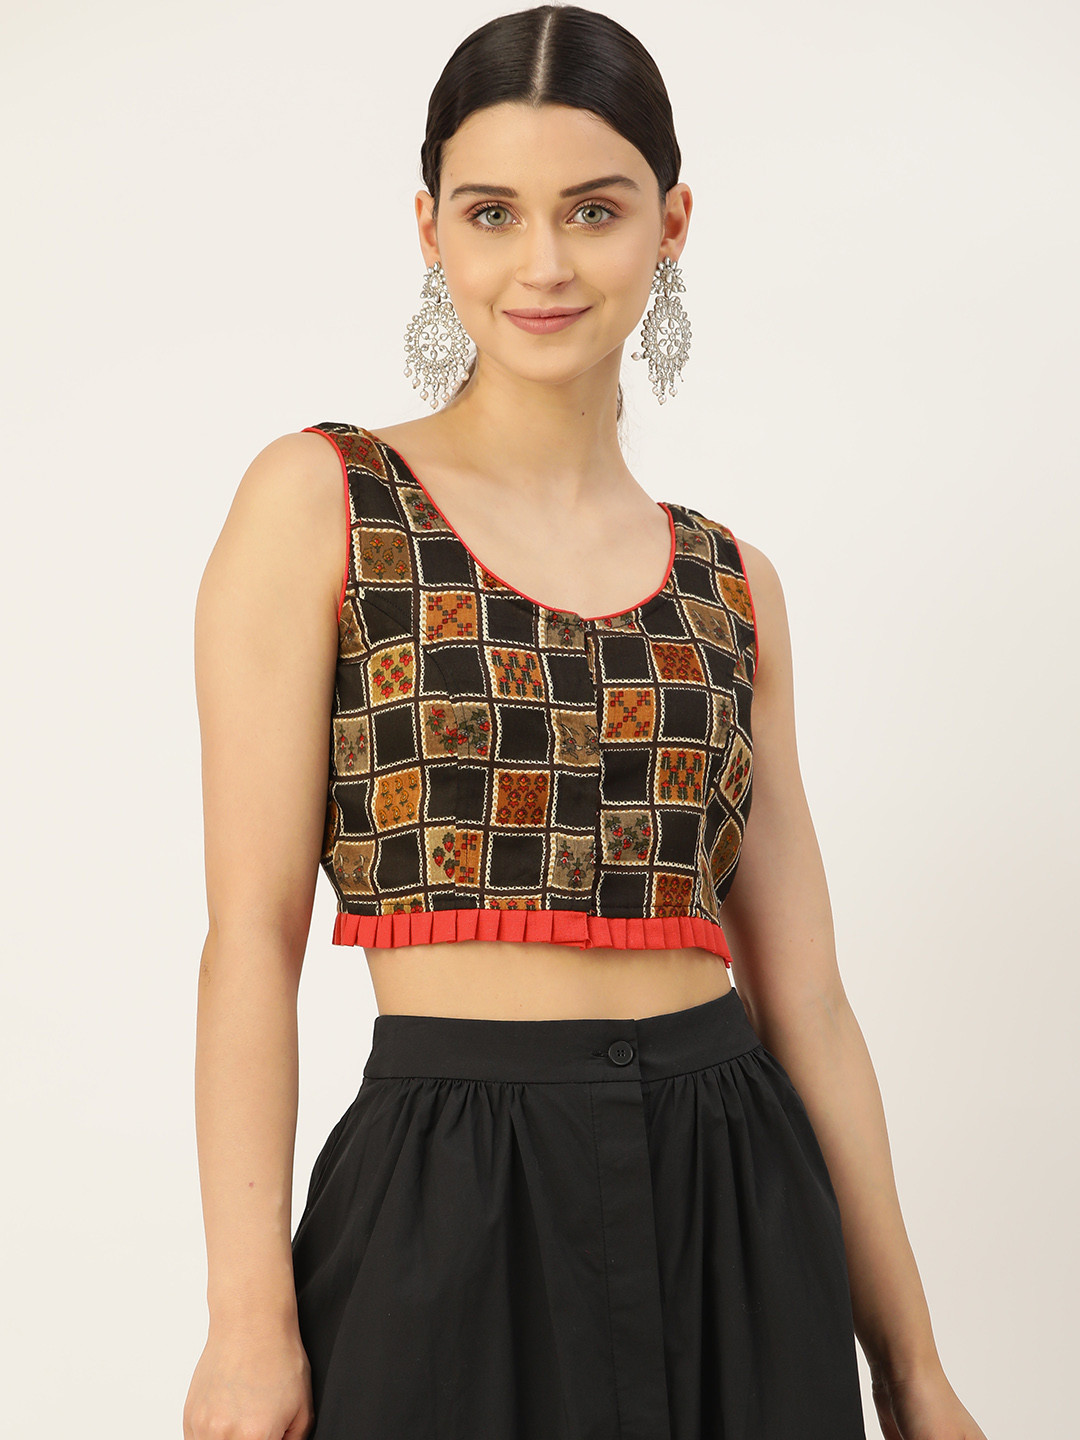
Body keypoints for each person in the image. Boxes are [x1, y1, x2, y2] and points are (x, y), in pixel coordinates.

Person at [183, 7, 988, 1439]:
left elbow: (808, 1000)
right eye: (494, 212)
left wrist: (916, 1369)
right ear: (430, 229)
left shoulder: (732, 581)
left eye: (595, 210)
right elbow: (251, 939)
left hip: (739, 1199)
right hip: (449, 1192)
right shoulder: (324, 504)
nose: (543, 263)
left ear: (671, 224)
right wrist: (248, 1324)